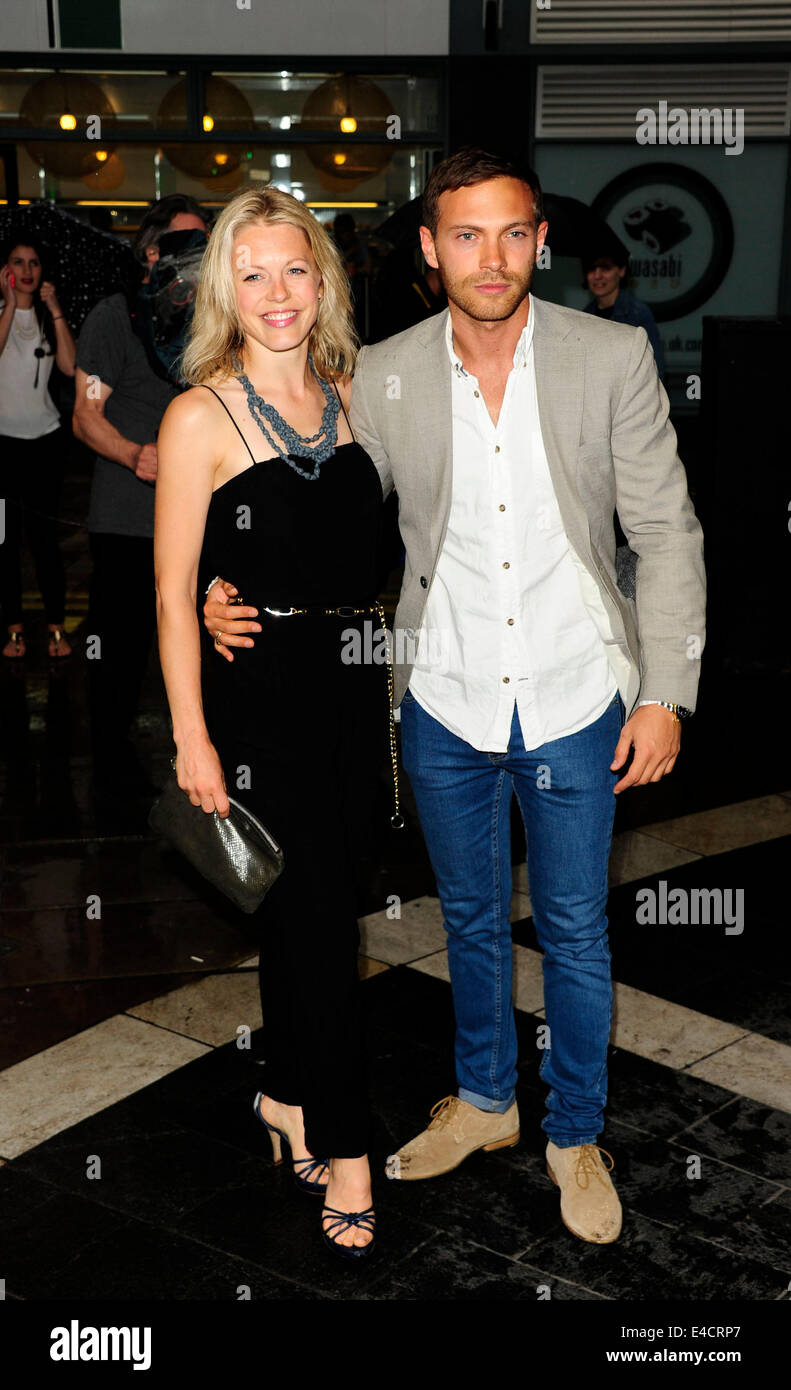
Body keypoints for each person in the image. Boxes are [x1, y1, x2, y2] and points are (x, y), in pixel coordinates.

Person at [203, 149, 706, 1245]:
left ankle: (573, 1132)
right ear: (430, 252)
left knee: (573, 929)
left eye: (511, 233)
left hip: (577, 696)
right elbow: (312, 502)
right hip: (441, 699)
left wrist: (665, 692)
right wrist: (217, 582)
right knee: (469, 922)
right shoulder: (377, 375)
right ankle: (485, 1101)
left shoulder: (609, 357)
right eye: (464, 236)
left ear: (539, 243)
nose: (491, 257)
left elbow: (665, 532)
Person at [154, 187, 391, 1259]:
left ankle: (284, 1095)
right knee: (321, 933)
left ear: (321, 278)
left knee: (304, 930)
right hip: (259, 706)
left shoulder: (352, 395)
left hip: (351, 692)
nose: (277, 292)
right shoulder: (199, 413)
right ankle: (348, 1153)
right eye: (251, 273)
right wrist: (192, 736)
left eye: (293, 268)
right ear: (224, 290)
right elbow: (168, 595)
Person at [72, 194, 209, 793]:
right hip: (128, 517)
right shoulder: (113, 316)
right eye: (186, 242)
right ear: (152, 252)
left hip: (201, 519)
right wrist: (134, 454)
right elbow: (85, 414)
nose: (199, 254)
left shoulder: (212, 320)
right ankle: (111, 769)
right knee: (120, 652)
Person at [0, 231, 76, 659]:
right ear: (5, 270)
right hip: (3, 447)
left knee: (45, 541)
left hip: (44, 444)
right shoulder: (2, 314)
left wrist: (54, 309)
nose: (27, 271)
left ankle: (55, 630)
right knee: (3, 539)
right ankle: (12, 629)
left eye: (34, 262)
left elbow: (69, 366)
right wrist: (10, 305)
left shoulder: (50, 318)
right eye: (17, 262)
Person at [583, 248, 665, 379]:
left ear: (621, 271)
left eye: (605, 268)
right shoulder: (585, 315)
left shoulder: (638, 314)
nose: (597, 275)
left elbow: (655, 371)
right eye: (592, 269)